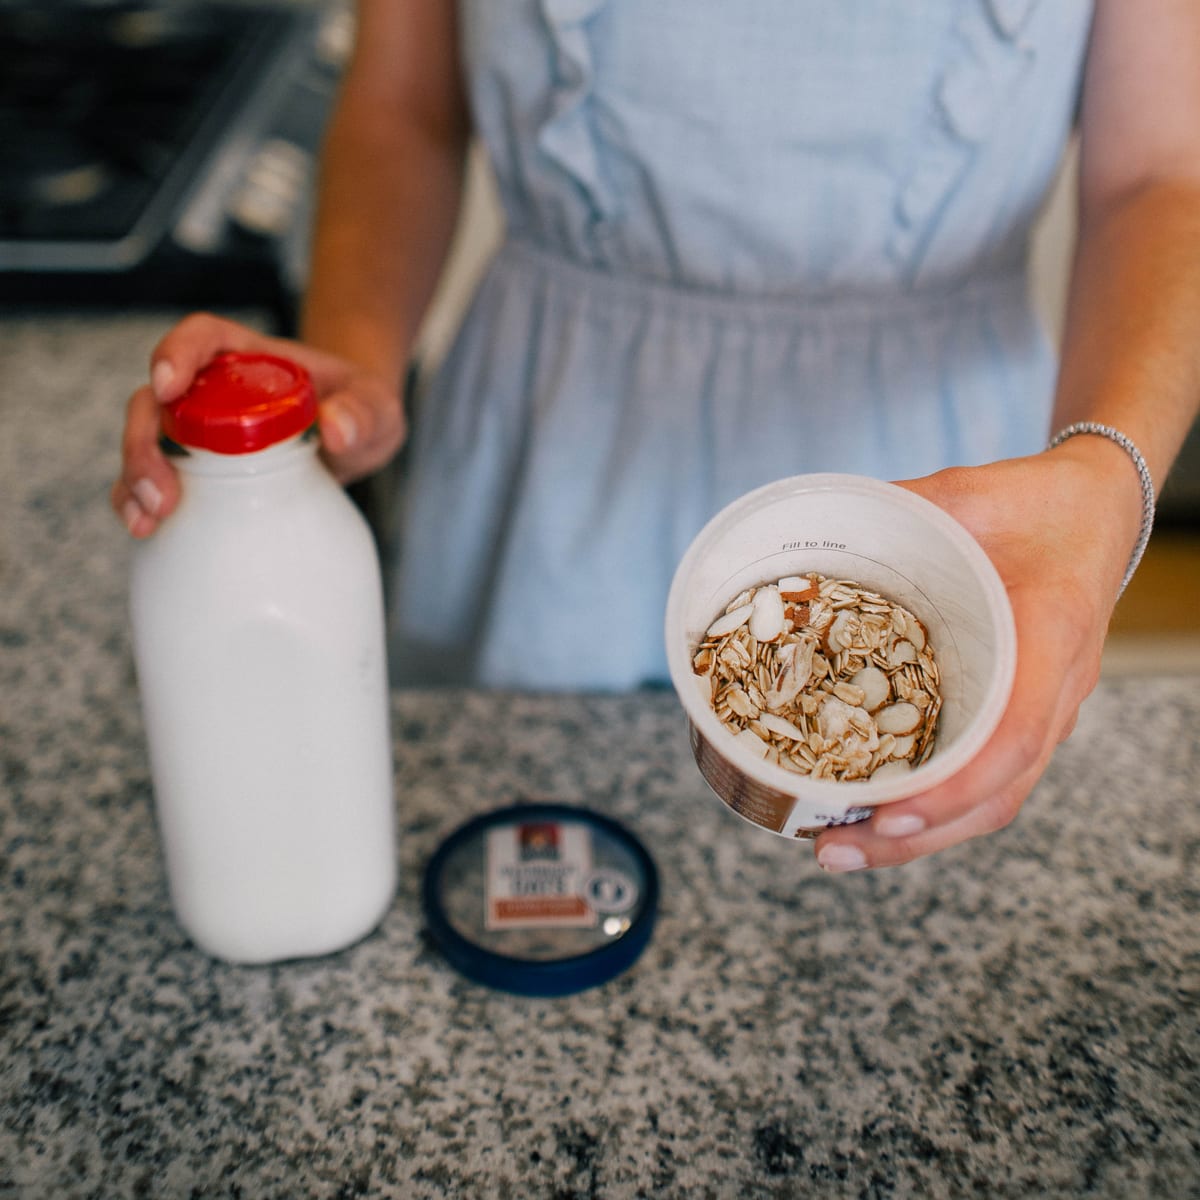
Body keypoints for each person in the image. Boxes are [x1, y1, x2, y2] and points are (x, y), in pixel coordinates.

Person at [113, 1, 1200, 874]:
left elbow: (1163, 174)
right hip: (546, 457)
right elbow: (405, 105)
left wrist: (1108, 482)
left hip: (935, 481)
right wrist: (357, 356)